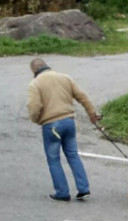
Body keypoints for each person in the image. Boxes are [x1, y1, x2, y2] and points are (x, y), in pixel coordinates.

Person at [26, 58, 101, 202]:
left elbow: (34, 107)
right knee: (73, 155)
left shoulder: (35, 84)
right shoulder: (65, 77)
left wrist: (37, 120)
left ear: (33, 70)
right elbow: (82, 97)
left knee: (54, 159)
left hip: (51, 125)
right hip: (69, 122)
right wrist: (92, 114)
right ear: (47, 65)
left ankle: (62, 192)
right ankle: (83, 189)